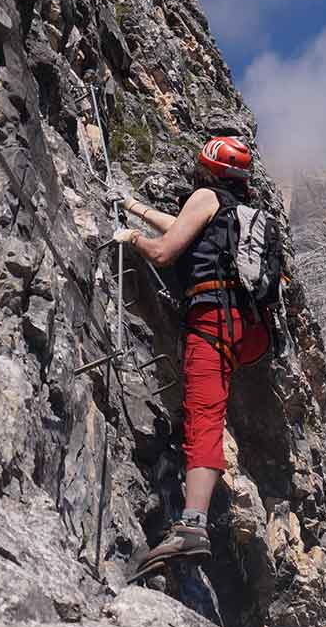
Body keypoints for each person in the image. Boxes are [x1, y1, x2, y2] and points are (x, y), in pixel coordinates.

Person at [110, 136, 270, 580]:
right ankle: (195, 520)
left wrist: (133, 237)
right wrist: (138, 208)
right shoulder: (236, 212)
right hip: (245, 327)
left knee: (204, 413)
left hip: (211, 317)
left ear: (206, 169)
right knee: (210, 405)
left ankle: (192, 525)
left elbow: (165, 251)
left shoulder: (203, 196)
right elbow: (185, 224)